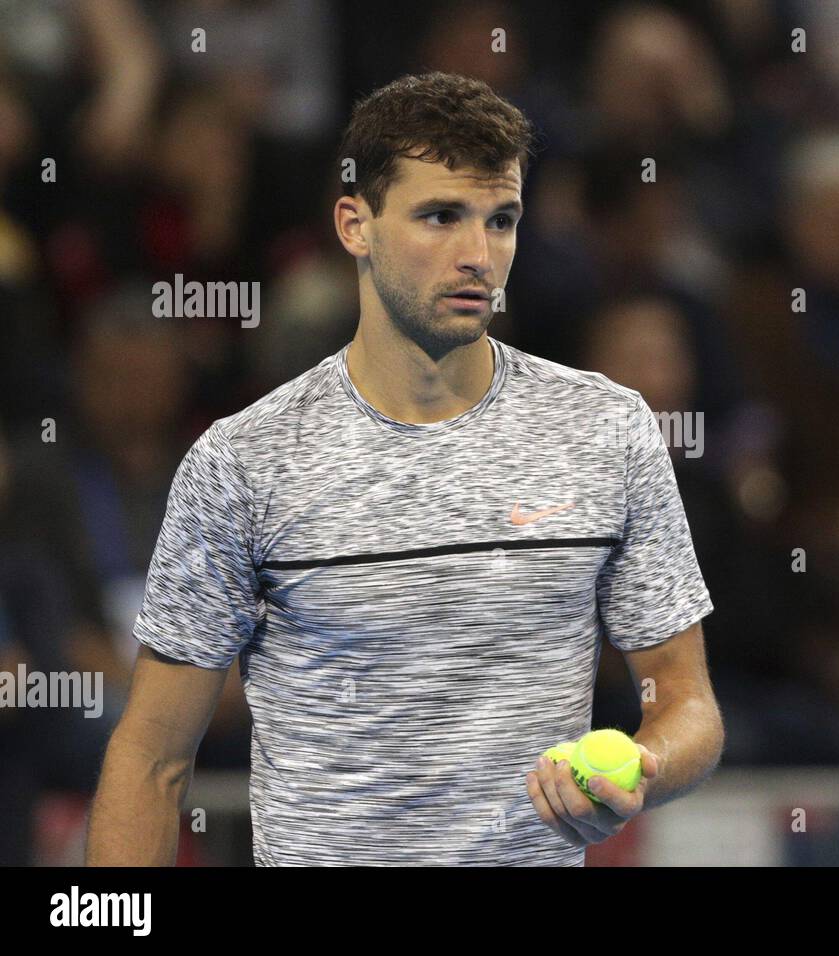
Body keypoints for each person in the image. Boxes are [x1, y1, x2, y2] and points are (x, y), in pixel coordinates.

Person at [85, 72, 724, 866]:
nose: (477, 256)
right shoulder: (244, 461)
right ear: (355, 223)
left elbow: (687, 701)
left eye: (502, 221)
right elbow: (151, 758)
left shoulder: (609, 430)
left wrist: (644, 769)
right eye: (440, 217)